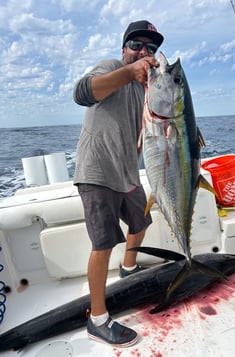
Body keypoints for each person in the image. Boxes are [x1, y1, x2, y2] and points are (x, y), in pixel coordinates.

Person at [73, 20, 164, 347]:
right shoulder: (112, 68)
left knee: (141, 221)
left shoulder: (146, 89)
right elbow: (82, 93)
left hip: (127, 173)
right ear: (124, 48)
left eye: (151, 49)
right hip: (97, 172)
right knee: (103, 244)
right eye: (137, 45)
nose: (144, 52)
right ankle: (97, 320)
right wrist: (128, 72)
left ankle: (128, 267)